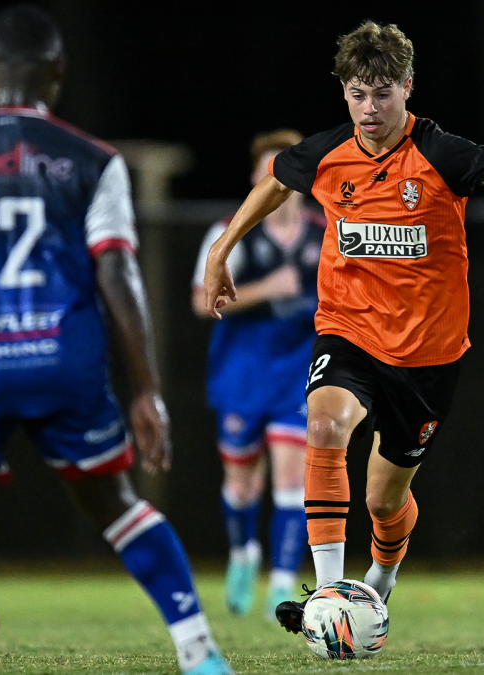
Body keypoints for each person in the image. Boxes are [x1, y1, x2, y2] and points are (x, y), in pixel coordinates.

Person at [0, 6, 232, 674]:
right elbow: (117, 270)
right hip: (65, 360)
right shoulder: (93, 159)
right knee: (118, 505)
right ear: (59, 73)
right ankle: (199, 651)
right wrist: (148, 389)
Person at [200, 20, 484, 634]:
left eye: (384, 93)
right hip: (348, 330)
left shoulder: (442, 153)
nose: (370, 109)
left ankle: (380, 580)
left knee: (382, 501)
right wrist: (220, 252)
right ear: (344, 92)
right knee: (323, 423)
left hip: (428, 355)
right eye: (358, 94)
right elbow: (273, 183)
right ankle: (324, 591)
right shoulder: (326, 153)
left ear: (408, 88)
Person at [190, 129, 325, 619]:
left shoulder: (326, 231)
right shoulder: (231, 232)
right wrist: (267, 287)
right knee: (242, 479)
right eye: (269, 170)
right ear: (255, 178)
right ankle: (243, 554)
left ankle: (283, 584)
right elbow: (200, 302)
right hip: (242, 369)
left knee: (292, 474)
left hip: (298, 369)